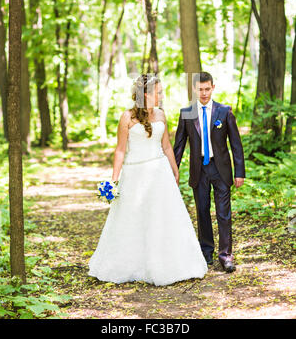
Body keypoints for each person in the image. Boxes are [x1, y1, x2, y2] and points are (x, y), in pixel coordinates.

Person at [88, 74, 208, 286]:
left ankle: (167, 263)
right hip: (134, 175)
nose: (162, 96)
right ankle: (131, 264)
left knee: (162, 218)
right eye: (158, 92)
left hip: (159, 173)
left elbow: (167, 146)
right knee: (132, 219)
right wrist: (114, 181)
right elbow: (120, 150)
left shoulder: (161, 115)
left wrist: (174, 169)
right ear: (146, 95)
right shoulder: (127, 117)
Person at [173, 72, 245, 273]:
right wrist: (172, 172)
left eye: (207, 89)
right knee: (202, 211)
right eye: (200, 89)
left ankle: (226, 256)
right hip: (199, 170)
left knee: (224, 214)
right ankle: (206, 253)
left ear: (213, 87)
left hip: (220, 168)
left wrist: (239, 172)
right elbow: (179, 146)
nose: (204, 93)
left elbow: (236, 145)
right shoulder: (186, 112)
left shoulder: (224, 111)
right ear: (194, 89)